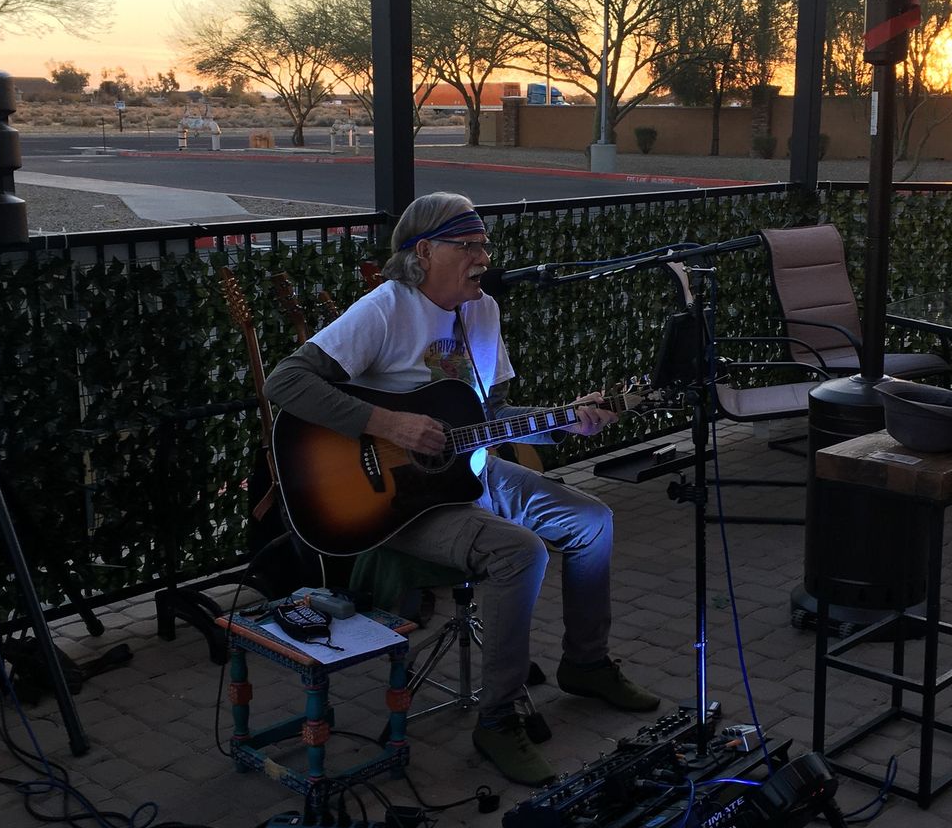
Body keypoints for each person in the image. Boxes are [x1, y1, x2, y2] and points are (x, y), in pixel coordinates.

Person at [263, 191, 659, 784]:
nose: (482, 256)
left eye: (484, 245)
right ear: (424, 252)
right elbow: (285, 381)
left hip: (467, 473)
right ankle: (498, 719)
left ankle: (587, 662)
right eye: (467, 245)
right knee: (516, 551)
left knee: (591, 520)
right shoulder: (386, 309)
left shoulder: (484, 311)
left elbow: (493, 415)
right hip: (397, 503)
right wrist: (389, 424)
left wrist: (567, 419)